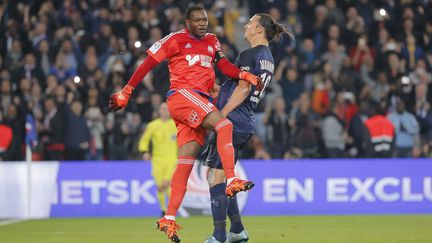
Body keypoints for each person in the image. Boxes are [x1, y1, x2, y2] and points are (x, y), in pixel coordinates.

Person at [108, 5, 262, 242]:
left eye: (205, 20)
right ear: (187, 22)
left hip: (198, 102)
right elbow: (147, 64)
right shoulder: (175, 39)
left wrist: (242, 75)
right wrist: (127, 91)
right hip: (183, 96)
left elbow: (223, 65)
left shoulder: (212, 41)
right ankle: (232, 180)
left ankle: (168, 218)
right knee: (225, 126)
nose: (203, 23)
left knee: (186, 162)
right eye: (198, 20)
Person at [203, 13, 290, 243]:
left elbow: (242, 89)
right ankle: (238, 230)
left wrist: (221, 114)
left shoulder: (248, 53)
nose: (247, 25)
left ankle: (219, 236)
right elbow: (242, 87)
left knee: (216, 178)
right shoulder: (267, 58)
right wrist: (221, 91)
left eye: (251, 22)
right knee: (220, 177)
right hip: (244, 121)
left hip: (232, 122)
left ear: (260, 30)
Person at [138, 102, 178, 216]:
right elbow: (144, 139)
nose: (164, 111)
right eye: (162, 109)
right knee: (160, 186)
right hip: (157, 160)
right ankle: (163, 209)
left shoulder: (175, 124)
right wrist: (144, 152)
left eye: (166, 109)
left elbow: (183, 139)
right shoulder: (153, 125)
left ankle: (171, 210)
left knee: (167, 184)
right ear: (159, 111)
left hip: (171, 158)